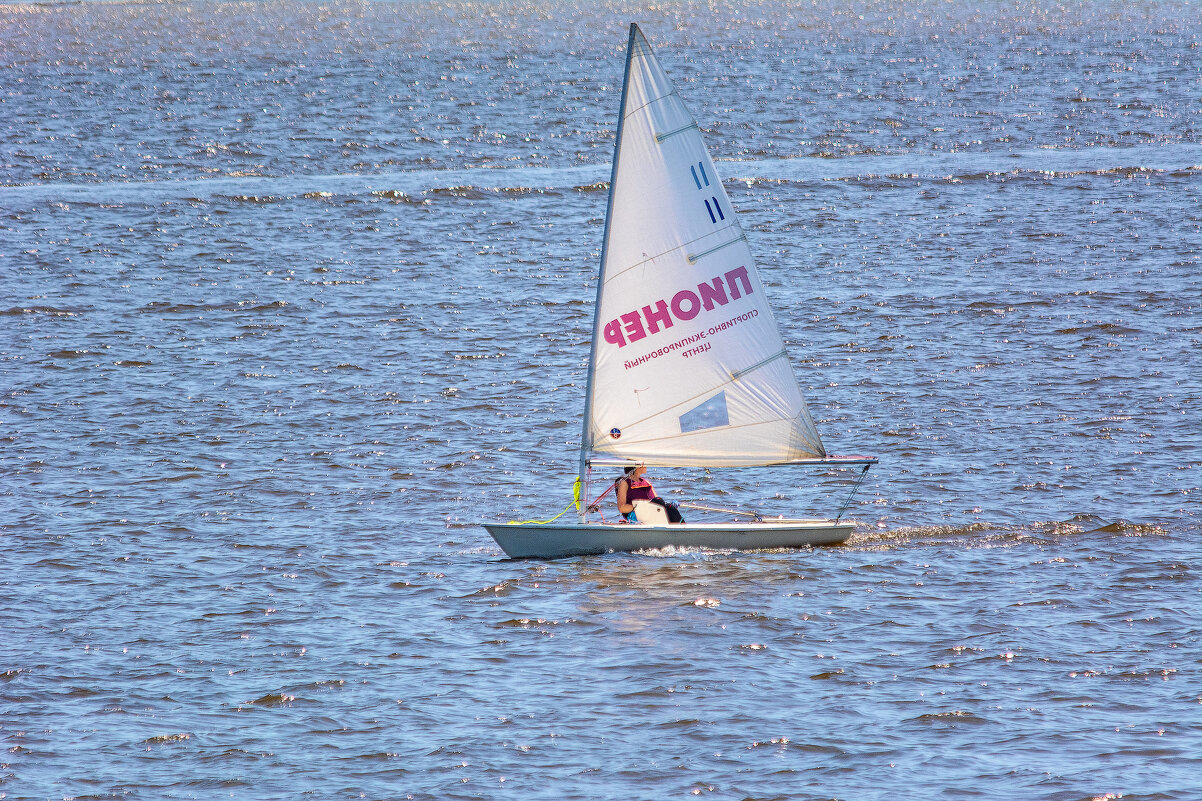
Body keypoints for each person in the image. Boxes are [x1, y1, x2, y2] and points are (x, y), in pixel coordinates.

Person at [615, 464, 684, 523]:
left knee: (669, 508)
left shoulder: (647, 483)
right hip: (636, 516)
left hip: (651, 514)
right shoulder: (624, 483)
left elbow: (658, 503)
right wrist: (639, 506)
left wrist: (669, 505)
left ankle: (681, 530)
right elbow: (622, 508)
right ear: (637, 466)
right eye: (644, 463)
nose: (646, 465)